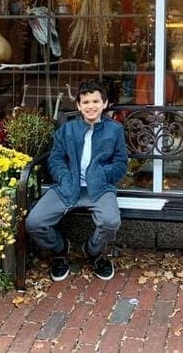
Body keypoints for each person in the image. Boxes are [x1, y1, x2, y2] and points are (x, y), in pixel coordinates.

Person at [25, 80, 128, 282]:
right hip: (68, 186)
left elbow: (121, 162)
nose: (91, 106)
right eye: (86, 101)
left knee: (111, 221)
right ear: (79, 105)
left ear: (105, 103)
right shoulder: (67, 130)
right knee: (34, 222)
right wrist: (64, 177)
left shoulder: (115, 130)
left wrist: (103, 175)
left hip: (99, 188)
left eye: (96, 101)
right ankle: (60, 249)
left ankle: (93, 252)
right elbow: (55, 159)